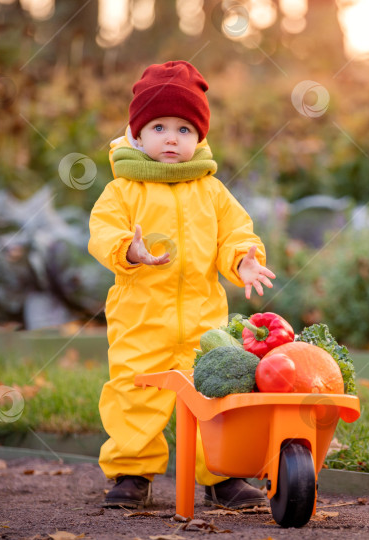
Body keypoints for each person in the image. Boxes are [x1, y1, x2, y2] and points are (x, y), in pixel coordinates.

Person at [87, 61, 276, 509]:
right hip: (140, 319)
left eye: (185, 129)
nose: (172, 138)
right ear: (137, 134)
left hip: (202, 320)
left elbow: (235, 232)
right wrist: (128, 251)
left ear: (200, 138)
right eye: (159, 126)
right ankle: (132, 473)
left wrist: (243, 259)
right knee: (134, 393)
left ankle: (221, 476)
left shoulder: (211, 191)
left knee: (213, 394)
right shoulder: (123, 190)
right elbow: (102, 232)